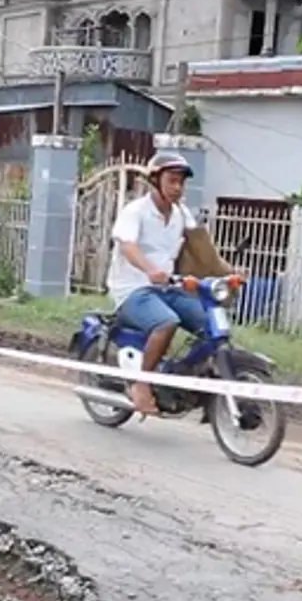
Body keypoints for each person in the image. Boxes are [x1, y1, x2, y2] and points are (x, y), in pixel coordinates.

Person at [107, 151, 208, 417]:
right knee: (166, 323)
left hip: (167, 289)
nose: (177, 188)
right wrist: (150, 270)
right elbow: (127, 246)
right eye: (172, 181)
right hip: (133, 290)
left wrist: (230, 273)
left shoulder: (181, 213)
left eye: (181, 183)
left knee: (211, 323)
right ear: (156, 180)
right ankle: (143, 383)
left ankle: (183, 379)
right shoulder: (135, 211)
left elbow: (201, 248)